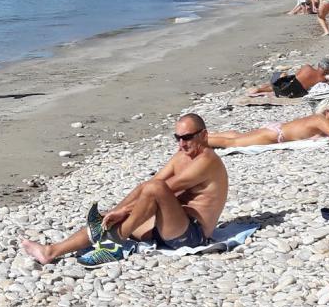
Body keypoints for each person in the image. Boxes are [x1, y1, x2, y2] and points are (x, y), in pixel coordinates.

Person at [20, 113, 228, 267]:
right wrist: (115, 212)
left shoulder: (207, 160)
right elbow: (145, 187)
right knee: (117, 213)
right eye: (178, 138)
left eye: (188, 137)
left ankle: (114, 243)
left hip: (192, 235)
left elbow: (165, 188)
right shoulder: (182, 156)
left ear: (204, 135)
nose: (182, 144)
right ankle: (50, 251)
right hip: (170, 226)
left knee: (154, 189)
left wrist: (125, 211)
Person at [206, 98, 329, 148]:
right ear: (328, 112)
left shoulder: (318, 119)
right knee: (233, 143)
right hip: (275, 135)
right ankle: (198, 140)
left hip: (274, 129)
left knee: (237, 135)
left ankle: (203, 135)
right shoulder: (320, 120)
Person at [249, 58, 329, 97]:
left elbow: (296, 75)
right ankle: (262, 88)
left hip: (285, 87)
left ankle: (259, 89)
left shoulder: (307, 67)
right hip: (294, 93)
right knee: (277, 84)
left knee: (282, 75)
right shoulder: (323, 80)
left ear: (319, 65)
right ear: (328, 69)